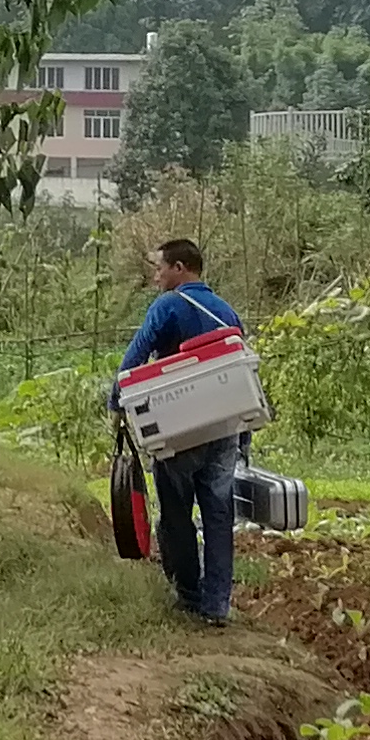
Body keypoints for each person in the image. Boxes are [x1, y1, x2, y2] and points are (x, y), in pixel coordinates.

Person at [119, 237, 248, 627]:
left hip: (179, 431)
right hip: (224, 429)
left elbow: (134, 358)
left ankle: (188, 595)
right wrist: (243, 436)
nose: (156, 276)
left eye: (160, 267)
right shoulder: (228, 312)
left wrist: (117, 403)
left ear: (179, 268)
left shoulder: (169, 306)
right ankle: (217, 606)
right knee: (219, 516)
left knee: (176, 515)